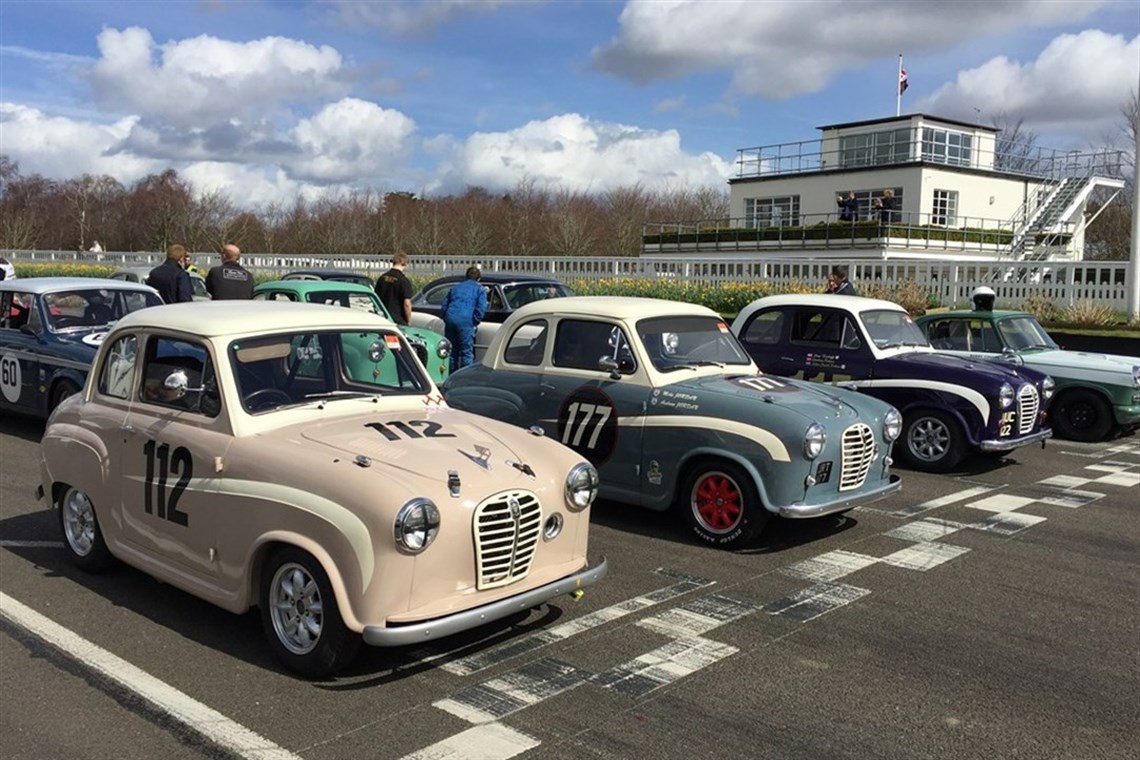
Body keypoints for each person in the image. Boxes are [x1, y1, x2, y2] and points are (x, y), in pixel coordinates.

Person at [440, 266, 487, 372]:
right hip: (466, 320)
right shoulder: (480, 289)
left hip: (450, 317)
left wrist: (445, 317)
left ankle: (451, 375)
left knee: (452, 351)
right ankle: (465, 377)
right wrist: (475, 321)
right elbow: (481, 308)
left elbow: (444, 306)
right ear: (478, 278)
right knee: (466, 352)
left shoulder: (456, 288)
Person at [375, 250, 413, 325]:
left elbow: (376, 298)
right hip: (398, 320)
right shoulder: (403, 281)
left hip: (383, 318)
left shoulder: (382, 278)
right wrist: (408, 321)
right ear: (405, 263)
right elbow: (407, 304)